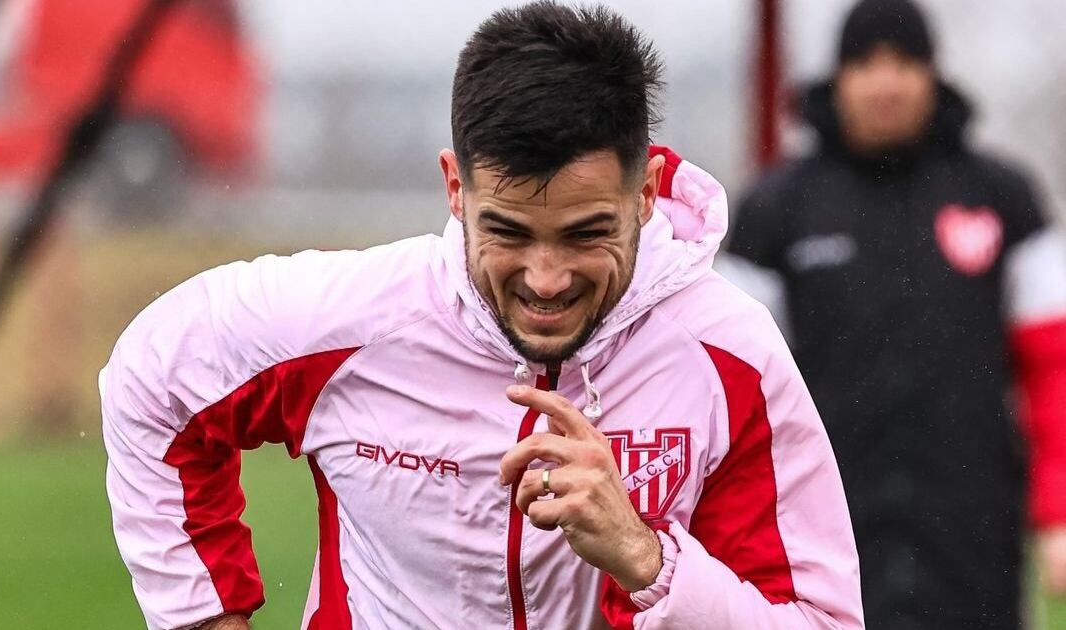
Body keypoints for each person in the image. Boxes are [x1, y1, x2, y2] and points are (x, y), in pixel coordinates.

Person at [102, 3, 864, 629]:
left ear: (648, 190)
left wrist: (647, 559)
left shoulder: (729, 356)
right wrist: (205, 616)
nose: (545, 279)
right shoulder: (354, 317)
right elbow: (150, 378)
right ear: (454, 188)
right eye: (507, 232)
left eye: (585, 233)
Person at [726, 0, 1066, 628]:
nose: (887, 80)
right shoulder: (775, 211)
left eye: (906, 61)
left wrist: (1058, 510)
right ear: (839, 76)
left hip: (974, 537)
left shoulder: (1005, 196)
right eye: (867, 62)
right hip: (825, 535)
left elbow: (1054, 367)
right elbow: (730, 390)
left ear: (933, 74)